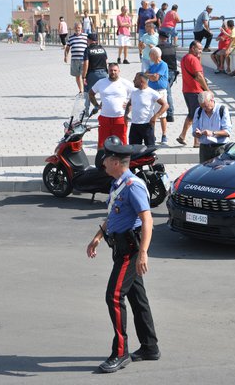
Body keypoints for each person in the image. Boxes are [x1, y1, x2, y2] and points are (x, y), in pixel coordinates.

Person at [86, 135, 160, 374]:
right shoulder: (117, 184)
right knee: (137, 298)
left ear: (117, 161)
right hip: (120, 248)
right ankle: (149, 347)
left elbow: (147, 221)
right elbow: (115, 215)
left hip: (130, 250)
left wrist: (143, 254)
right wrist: (98, 236)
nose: (104, 161)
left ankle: (120, 352)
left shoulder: (133, 185)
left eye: (107, 158)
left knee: (114, 296)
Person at [89, 63, 134, 147]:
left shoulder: (125, 83)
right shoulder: (101, 82)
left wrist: (129, 104)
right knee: (102, 144)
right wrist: (96, 105)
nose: (113, 72)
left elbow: (136, 94)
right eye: (111, 70)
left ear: (119, 71)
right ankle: (101, 159)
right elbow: (91, 94)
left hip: (120, 118)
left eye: (115, 70)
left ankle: (122, 159)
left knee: (122, 143)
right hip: (104, 118)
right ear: (108, 71)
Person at [177, 41, 210, 146]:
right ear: (192, 48)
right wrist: (207, 89)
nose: (201, 51)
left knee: (192, 114)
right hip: (195, 91)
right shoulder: (193, 59)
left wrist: (198, 57)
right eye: (199, 48)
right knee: (198, 116)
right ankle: (197, 142)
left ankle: (182, 136)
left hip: (187, 90)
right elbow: (199, 76)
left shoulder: (185, 58)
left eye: (201, 49)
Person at [126, 72, 168, 146]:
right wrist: (125, 114)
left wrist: (156, 116)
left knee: (149, 150)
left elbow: (166, 105)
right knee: (133, 150)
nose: (133, 80)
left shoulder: (152, 93)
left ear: (141, 81)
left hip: (147, 125)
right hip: (135, 125)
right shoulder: (133, 92)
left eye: (135, 79)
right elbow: (129, 103)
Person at [192, 91, 232, 163]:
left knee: (219, 172)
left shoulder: (222, 110)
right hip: (204, 148)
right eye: (202, 106)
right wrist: (196, 133)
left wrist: (212, 133)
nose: (204, 108)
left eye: (206, 106)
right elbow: (194, 130)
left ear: (212, 100)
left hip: (219, 147)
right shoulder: (199, 111)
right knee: (204, 172)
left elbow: (227, 132)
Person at [146, 47, 170, 143]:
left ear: (155, 55)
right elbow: (145, 74)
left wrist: (151, 76)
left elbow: (155, 78)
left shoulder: (163, 65)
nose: (149, 56)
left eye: (150, 54)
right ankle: (153, 135)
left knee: (162, 114)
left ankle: (164, 135)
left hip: (160, 92)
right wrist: (151, 76)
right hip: (151, 91)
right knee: (151, 114)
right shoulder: (152, 65)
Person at [82, 33, 108, 116]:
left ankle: (86, 110)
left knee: (87, 92)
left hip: (92, 74)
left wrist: (84, 76)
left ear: (89, 40)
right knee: (104, 92)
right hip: (104, 73)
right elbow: (106, 61)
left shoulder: (88, 49)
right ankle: (106, 110)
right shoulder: (102, 49)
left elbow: (86, 63)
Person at [157, 31, 177, 123]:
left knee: (167, 93)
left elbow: (156, 61)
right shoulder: (172, 47)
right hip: (173, 72)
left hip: (164, 73)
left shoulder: (158, 48)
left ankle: (170, 114)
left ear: (160, 37)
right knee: (166, 92)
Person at [64, 22, 89, 94]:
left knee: (84, 76)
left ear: (81, 28)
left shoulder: (86, 36)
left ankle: (85, 90)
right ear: (74, 28)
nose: (77, 29)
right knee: (77, 76)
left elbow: (89, 46)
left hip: (84, 60)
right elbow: (67, 48)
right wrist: (66, 56)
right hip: (74, 60)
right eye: (76, 28)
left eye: (79, 28)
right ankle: (81, 91)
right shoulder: (71, 37)